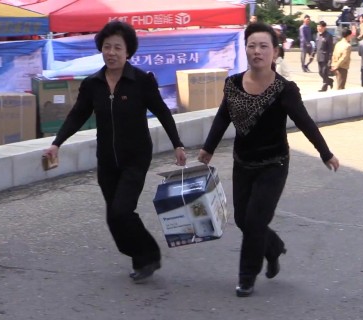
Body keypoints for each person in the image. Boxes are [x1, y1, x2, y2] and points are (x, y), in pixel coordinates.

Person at [197, 22, 340, 298]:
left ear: (274, 52)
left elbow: (305, 122)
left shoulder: (284, 89)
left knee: (255, 220)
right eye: (252, 46)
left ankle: (246, 277)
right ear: (246, 50)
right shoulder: (233, 84)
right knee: (243, 219)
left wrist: (325, 153)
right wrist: (208, 148)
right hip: (243, 162)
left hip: (274, 164)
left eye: (264, 46)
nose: (257, 51)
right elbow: (222, 117)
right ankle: (273, 248)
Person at [43, 21, 187, 283]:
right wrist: (57, 143)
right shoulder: (92, 84)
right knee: (115, 217)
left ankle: (149, 254)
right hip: (107, 160)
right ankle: (141, 258)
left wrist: (177, 143)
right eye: (107, 47)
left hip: (136, 158)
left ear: (128, 51)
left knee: (122, 210)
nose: (111, 52)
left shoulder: (141, 81)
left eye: (117, 48)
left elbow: (163, 112)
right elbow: (77, 115)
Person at [314, 21, 334, 91]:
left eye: (320, 27)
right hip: (319, 57)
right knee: (320, 72)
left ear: (324, 27)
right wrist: (313, 53)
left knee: (324, 72)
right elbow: (316, 46)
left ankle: (324, 87)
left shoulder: (328, 36)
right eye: (318, 26)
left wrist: (330, 59)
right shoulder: (317, 35)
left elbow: (331, 48)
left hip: (325, 58)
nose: (318, 28)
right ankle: (329, 80)